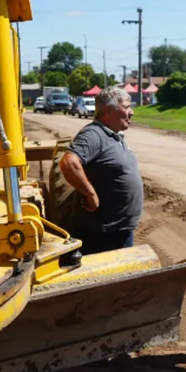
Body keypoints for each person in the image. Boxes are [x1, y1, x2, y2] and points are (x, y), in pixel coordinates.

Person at [59, 86, 143, 255]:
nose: (131, 112)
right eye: (126, 107)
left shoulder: (113, 135)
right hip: (101, 235)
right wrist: (91, 194)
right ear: (108, 109)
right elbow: (69, 162)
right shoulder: (94, 134)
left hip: (118, 231)